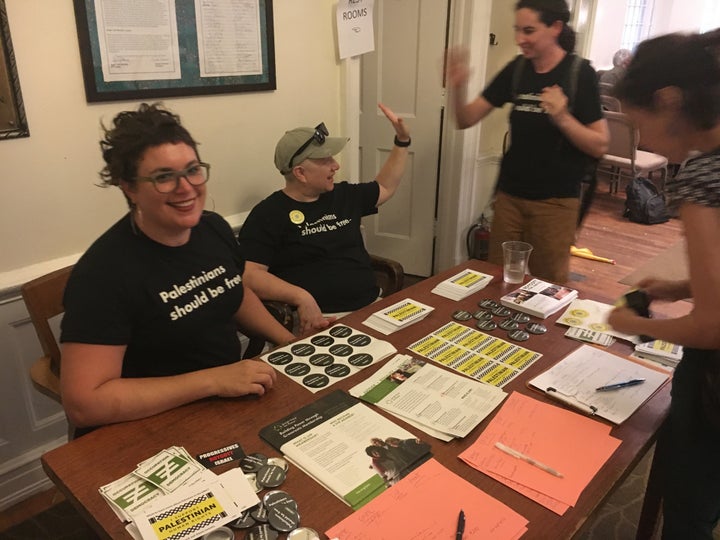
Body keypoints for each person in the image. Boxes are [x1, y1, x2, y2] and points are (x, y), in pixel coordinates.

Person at [60, 103, 295, 434]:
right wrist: (212, 380)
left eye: (192, 170)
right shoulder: (103, 275)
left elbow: (234, 292)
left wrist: (287, 340)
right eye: (164, 177)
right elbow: (85, 404)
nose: (186, 187)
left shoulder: (212, 228)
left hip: (226, 403)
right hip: (146, 427)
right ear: (129, 187)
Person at [607, 30, 720, 539]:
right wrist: (680, 287)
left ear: (669, 101)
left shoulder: (702, 175)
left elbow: (712, 329)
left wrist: (636, 325)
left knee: (689, 505)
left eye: (639, 122)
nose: (642, 140)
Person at [446, 0, 609, 284]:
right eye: (518, 30)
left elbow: (600, 145)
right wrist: (457, 87)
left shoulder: (579, 74)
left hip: (556, 203)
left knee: (549, 287)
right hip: (510, 198)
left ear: (555, 27)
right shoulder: (517, 70)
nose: (520, 39)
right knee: (498, 280)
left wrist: (562, 117)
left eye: (529, 30)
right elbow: (465, 119)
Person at [238, 104, 410, 334]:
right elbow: (249, 275)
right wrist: (300, 296)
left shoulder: (343, 195)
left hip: (372, 307)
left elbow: (386, 186)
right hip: (320, 320)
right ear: (300, 173)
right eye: (325, 160)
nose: (335, 165)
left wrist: (402, 141)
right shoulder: (269, 214)